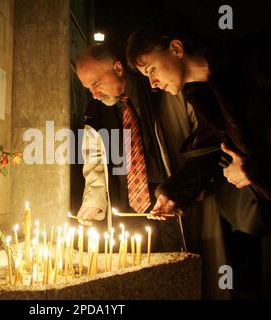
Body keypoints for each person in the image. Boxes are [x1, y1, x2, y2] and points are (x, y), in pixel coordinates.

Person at [126, 14, 271, 299]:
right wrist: (174, 193)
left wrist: (253, 170)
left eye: (153, 69)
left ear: (176, 49)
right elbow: (207, 154)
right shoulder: (203, 94)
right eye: (147, 77)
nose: (153, 83)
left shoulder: (252, 63)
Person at [74, 44, 224, 266]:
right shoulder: (96, 111)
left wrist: (192, 187)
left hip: (171, 199)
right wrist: (94, 199)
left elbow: (208, 136)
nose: (94, 94)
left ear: (117, 68)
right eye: (88, 88)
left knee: (179, 268)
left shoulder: (161, 87)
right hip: (127, 208)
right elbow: (94, 159)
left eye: (96, 84)